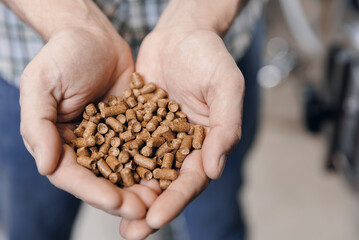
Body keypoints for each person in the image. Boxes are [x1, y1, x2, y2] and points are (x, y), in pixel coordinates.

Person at [0, 0, 264, 239]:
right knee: (35, 225)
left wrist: (201, 16)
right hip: (47, 67)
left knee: (216, 220)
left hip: (206, 66)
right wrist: (69, 20)